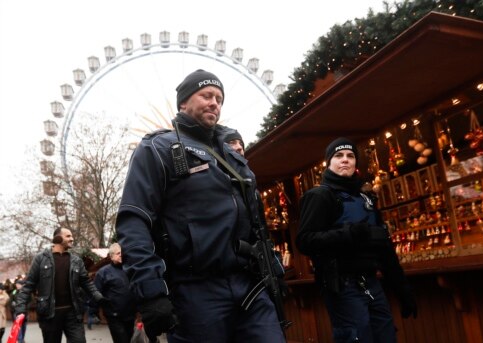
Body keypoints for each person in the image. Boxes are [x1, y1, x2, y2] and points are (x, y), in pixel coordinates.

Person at [116, 69, 286, 342]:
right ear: (183, 102)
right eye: (206, 95)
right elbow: (134, 220)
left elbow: (257, 223)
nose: (214, 103)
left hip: (250, 286)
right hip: (195, 292)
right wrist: (151, 291)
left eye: (219, 98)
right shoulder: (158, 149)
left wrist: (274, 271)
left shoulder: (234, 157)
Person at [296, 137, 418, 343]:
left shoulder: (366, 199)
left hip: (371, 282)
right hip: (342, 285)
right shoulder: (320, 196)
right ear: (329, 162)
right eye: (338, 156)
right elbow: (305, 241)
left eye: (350, 156)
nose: (345, 160)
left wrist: (403, 291)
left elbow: (385, 249)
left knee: (386, 337)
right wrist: (347, 234)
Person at [13, 228, 106, 343]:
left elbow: (87, 282)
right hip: (50, 315)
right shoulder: (41, 259)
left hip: (73, 314)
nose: (72, 239)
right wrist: (20, 308)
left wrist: (100, 298)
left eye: (71, 236)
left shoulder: (76, 260)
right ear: (57, 238)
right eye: (68, 236)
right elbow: (28, 286)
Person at [94, 243, 137, 343]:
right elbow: (95, 292)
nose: (121, 255)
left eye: (122, 253)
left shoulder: (130, 270)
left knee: (130, 339)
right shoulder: (103, 272)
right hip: (114, 316)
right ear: (111, 256)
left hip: (130, 315)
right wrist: (93, 312)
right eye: (118, 253)